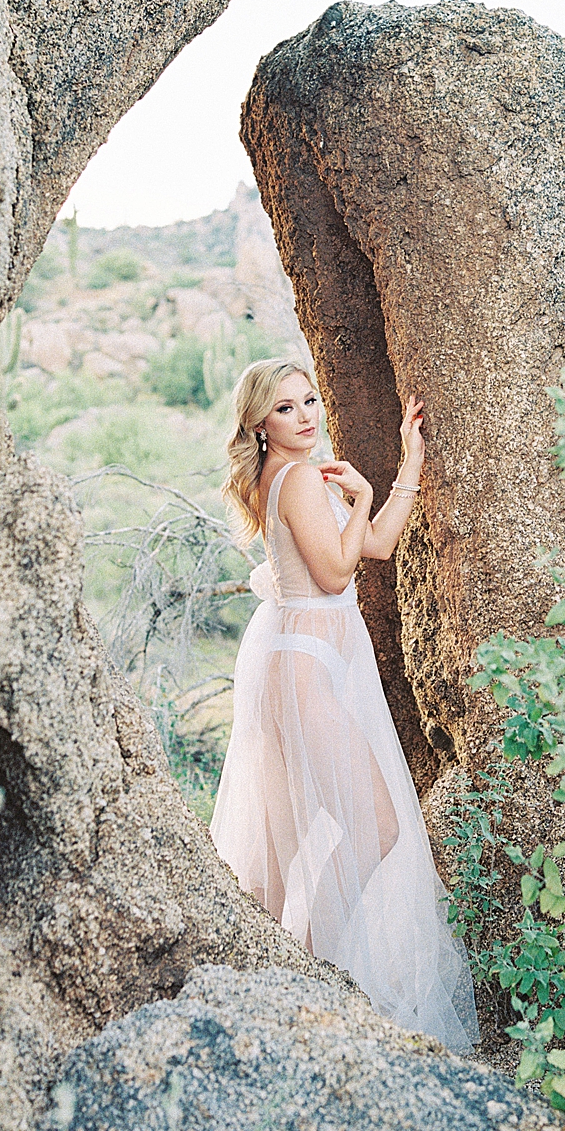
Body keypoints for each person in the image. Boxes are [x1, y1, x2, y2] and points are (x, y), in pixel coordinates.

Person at [210, 359, 480, 1051]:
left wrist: (405, 466)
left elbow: (380, 547)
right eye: (285, 409)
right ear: (259, 426)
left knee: (296, 837)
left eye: (308, 401)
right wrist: (359, 499)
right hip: (303, 665)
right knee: (376, 827)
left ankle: (288, 968)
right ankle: (306, 971)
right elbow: (335, 575)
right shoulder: (299, 477)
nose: (306, 415)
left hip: (299, 657)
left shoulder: (296, 474)